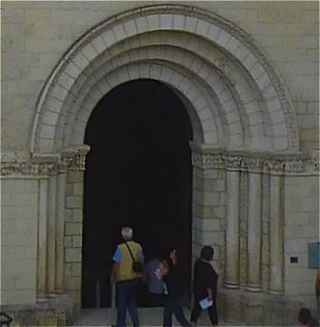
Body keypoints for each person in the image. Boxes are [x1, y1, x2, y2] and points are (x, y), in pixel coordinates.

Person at [111, 227, 144, 327]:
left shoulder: (120, 248)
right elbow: (141, 261)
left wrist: (114, 277)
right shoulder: (138, 246)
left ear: (123, 236)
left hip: (123, 280)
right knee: (132, 302)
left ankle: (121, 325)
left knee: (122, 304)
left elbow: (116, 264)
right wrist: (141, 275)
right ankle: (136, 324)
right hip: (135, 279)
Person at [162, 248, 191, 327]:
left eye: (173, 253)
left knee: (178, 317)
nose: (171, 254)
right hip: (173, 295)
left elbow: (174, 280)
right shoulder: (175, 267)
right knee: (169, 315)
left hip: (174, 296)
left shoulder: (178, 269)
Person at [190, 246, 218, 327]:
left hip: (198, 290)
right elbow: (208, 283)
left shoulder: (198, 262)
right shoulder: (207, 268)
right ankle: (215, 324)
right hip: (206, 293)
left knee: (197, 307)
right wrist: (210, 295)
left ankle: (193, 322)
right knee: (212, 309)